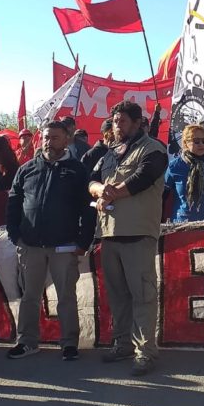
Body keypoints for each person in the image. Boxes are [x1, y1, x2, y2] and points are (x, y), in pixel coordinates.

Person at [88, 100, 168, 376]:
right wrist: (100, 190)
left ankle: (145, 351)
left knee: (143, 295)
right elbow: (92, 179)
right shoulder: (108, 153)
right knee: (118, 295)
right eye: (114, 121)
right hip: (109, 233)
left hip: (138, 234)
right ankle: (122, 343)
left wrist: (112, 192)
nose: (117, 126)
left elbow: (143, 178)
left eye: (122, 121)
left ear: (137, 123)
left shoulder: (154, 149)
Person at [6, 121, 95, 362]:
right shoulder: (26, 169)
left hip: (63, 246)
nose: (48, 142)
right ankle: (26, 341)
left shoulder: (77, 170)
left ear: (66, 140)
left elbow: (88, 210)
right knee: (30, 296)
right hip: (31, 245)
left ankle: (69, 343)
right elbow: (13, 202)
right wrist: (16, 236)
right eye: (46, 137)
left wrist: (83, 241)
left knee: (66, 296)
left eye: (54, 137)